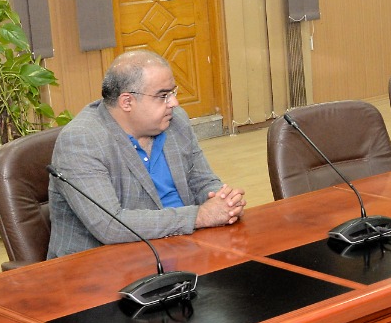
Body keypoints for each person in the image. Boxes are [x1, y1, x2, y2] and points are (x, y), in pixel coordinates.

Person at [47, 51, 245, 259]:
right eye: (163, 96)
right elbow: (110, 225)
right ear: (127, 102)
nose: (174, 103)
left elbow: (202, 181)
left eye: (173, 93)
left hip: (184, 249)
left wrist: (225, 203)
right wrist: (200, 216)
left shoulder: (175, 121)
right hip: (104, 265)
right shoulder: (81, 140)